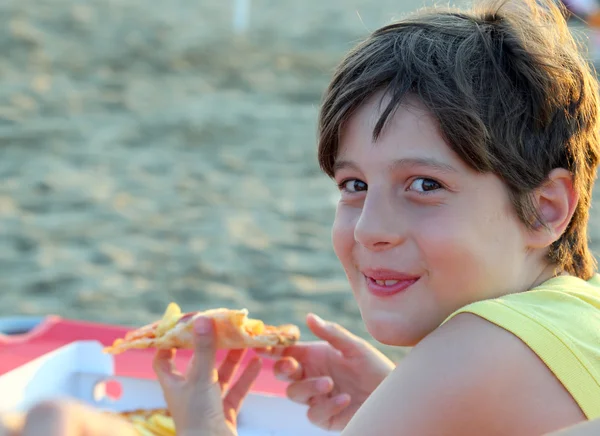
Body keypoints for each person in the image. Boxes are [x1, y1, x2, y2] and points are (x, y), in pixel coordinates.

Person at [4, 0, 600, 433]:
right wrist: (398, 399)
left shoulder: (476, 346)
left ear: (546, 209)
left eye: (425, 185)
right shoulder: (580, 317)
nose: (370, 229)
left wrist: (203, 427)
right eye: (354, 184)